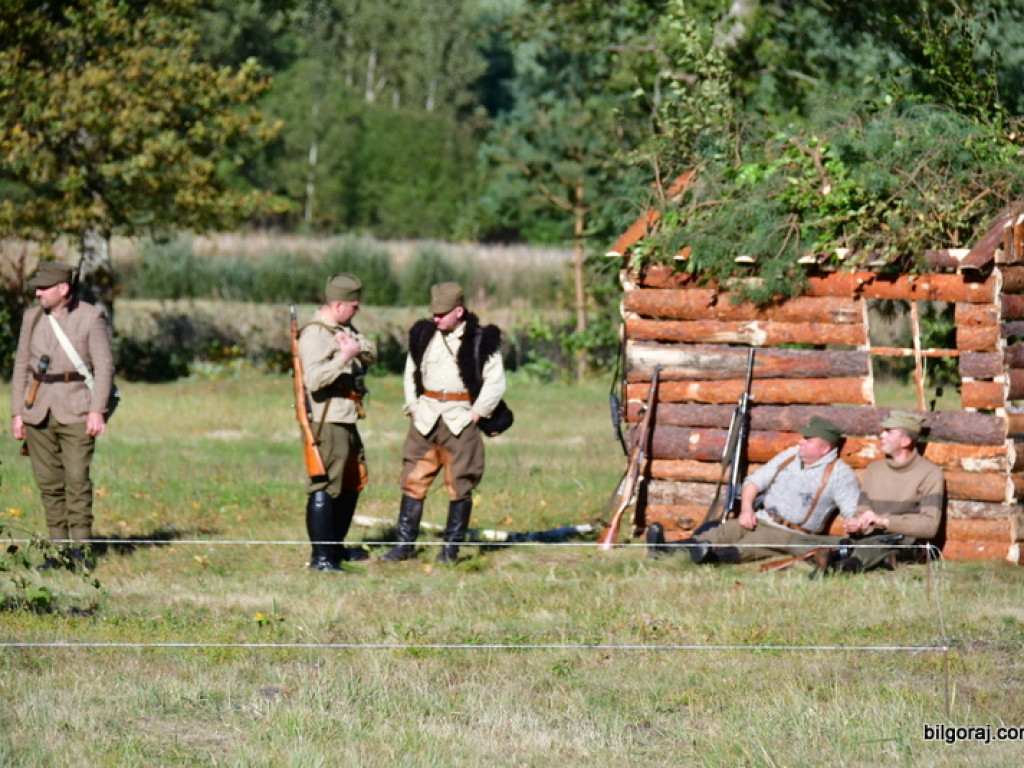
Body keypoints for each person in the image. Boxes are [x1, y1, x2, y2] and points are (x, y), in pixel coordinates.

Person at [380, 282, 507, 564]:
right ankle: (404, 545)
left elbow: (495, 382)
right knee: (412, 480)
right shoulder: (424, 335)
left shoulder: (481, 340)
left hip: (460, 419)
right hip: (425, 418)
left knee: (460, 483)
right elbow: (410, 370)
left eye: (442, 314)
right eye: (434, 313)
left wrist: (476, 413)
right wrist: (413, 406)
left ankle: (450, 550)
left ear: (459, 311)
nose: (436, 319)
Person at [10, 261, 114, 570]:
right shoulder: (32, 318)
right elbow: (20, 367)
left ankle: (81, 551)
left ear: (63, 289)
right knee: (49, 484)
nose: (37, 292)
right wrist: (18, 412)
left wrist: (97, 410)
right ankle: (57, 551)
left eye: (43, 287)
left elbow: (104, 366)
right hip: (37, 408)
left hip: (77, 408)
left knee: (77, 480)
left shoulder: (91, 317)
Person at [647, 416, 860, 564]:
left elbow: (852, 512)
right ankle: (665, 549)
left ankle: (709, 558)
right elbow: (754, 481)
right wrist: (747, 509)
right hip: (761, 517)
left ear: (825, 448)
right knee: (723, 531)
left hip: (789, 533)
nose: (800, 442)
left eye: (807, 440)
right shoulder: (790, 456)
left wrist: (854, 523)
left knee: (749, 546)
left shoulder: (840, 475)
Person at [799, 411, 945, 574]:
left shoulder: (930, 473)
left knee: (879, 545)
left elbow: (929, 527)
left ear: (905, 441)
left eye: (888, 432)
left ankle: (842, 568)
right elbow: (862, 512)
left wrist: (884, 521)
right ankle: (838, 559)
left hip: (906, 542)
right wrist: (857, 524)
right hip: (870, 538)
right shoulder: (874, 470)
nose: (881, 435)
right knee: (835, 542)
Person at [298, 273, 377, 572]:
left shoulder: (345, 327)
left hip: (347, 415)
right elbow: (314, 380)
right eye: (354, 306)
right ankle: (321, 558)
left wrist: (355, 348)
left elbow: (371, 351)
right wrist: (343, 357)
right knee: (326, 484)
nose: (357, 311)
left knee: (351, 482)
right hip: (327, 419)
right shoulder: (315, 334)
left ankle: (336, 547)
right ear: (340, 304)